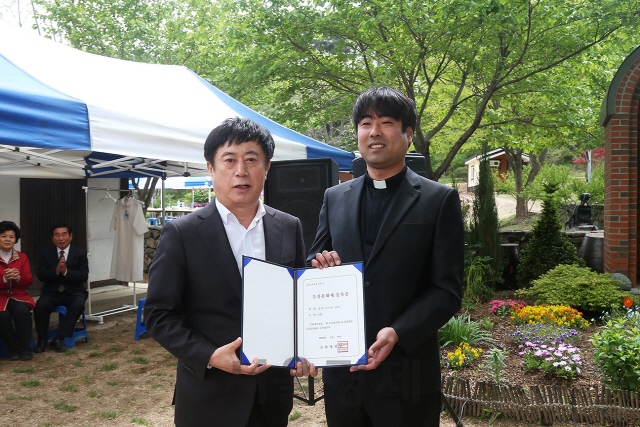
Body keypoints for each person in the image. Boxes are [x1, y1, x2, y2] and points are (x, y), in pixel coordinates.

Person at [308, 86, 464, 426]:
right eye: (366, 123)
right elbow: (315, 258)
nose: (374, 131)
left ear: (408, 134)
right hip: (343, 372)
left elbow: (447, 291)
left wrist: (397, 331)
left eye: (387, 122)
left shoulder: (439, 200)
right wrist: (318, 266)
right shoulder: (334, 197)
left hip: (407, 373)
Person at [144, 117, 309, 427]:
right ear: (210, 167)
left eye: (251, 159)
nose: (241, 171)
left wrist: (305, 348)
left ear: (267, 167)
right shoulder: (183, 232)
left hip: (272, 395)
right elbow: (158, 314)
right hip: (209, 395)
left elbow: (296, 302)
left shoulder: (289, 227)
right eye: (229, 160)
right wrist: (208, 355)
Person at [34, 225, 89, 353]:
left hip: (74, 291)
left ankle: (59, 338)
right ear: (53, 238)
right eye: (57, 235)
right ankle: (42, 340)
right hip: (52, 291)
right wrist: (56, 271)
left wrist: (66, 272)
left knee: (78, 305)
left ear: (70, 236)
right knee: (40, 306)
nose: (61, 238)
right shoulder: (45, 253)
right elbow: (41, 275)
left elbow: (83, 276)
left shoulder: (80, 253)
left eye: (64, 234)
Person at [0, 221, 35, 361]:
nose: (7, 239)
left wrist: (18, 277)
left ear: (16, 240)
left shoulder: (22, 257)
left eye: (11, 237)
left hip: (18, 295)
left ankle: (25, 348)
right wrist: (3, 279)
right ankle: (13, 348)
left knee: (22, 312)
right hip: (0, 296)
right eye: (3, 236)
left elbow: (29, 280)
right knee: (2, 316)